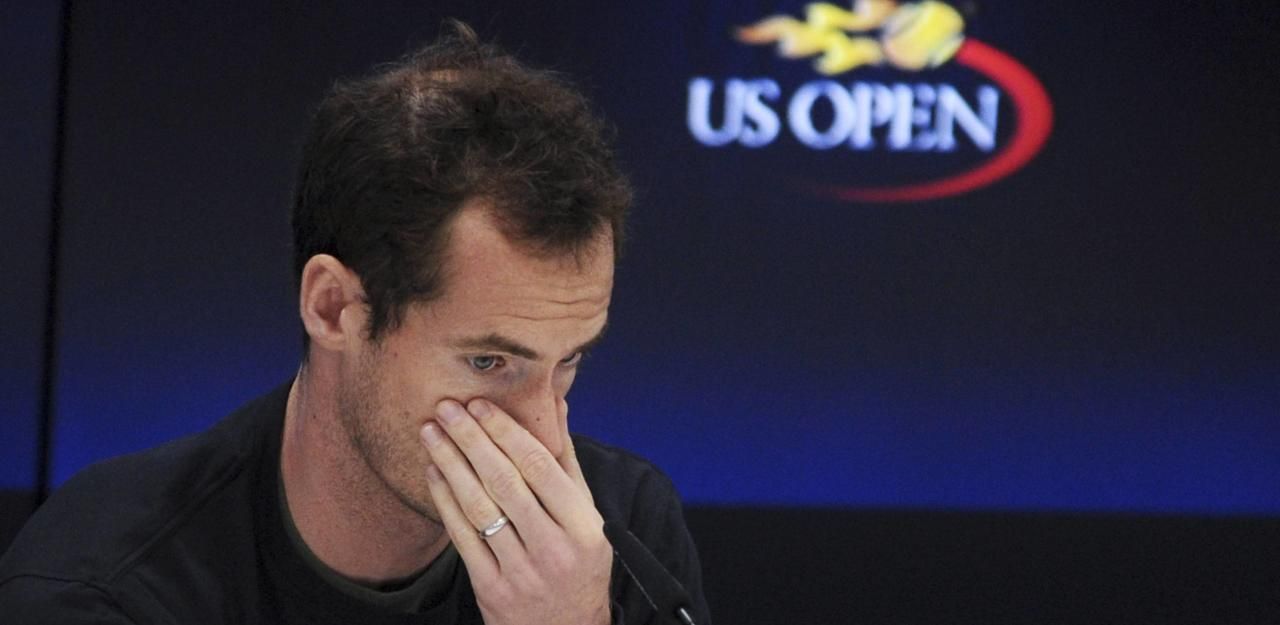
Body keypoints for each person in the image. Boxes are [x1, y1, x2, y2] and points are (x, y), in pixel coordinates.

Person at [0, 21, 710, 625]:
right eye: (488, 362)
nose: (546, 438)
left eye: (569, 361)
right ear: (333, 307)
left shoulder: (615, 543)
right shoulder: (104, 586)